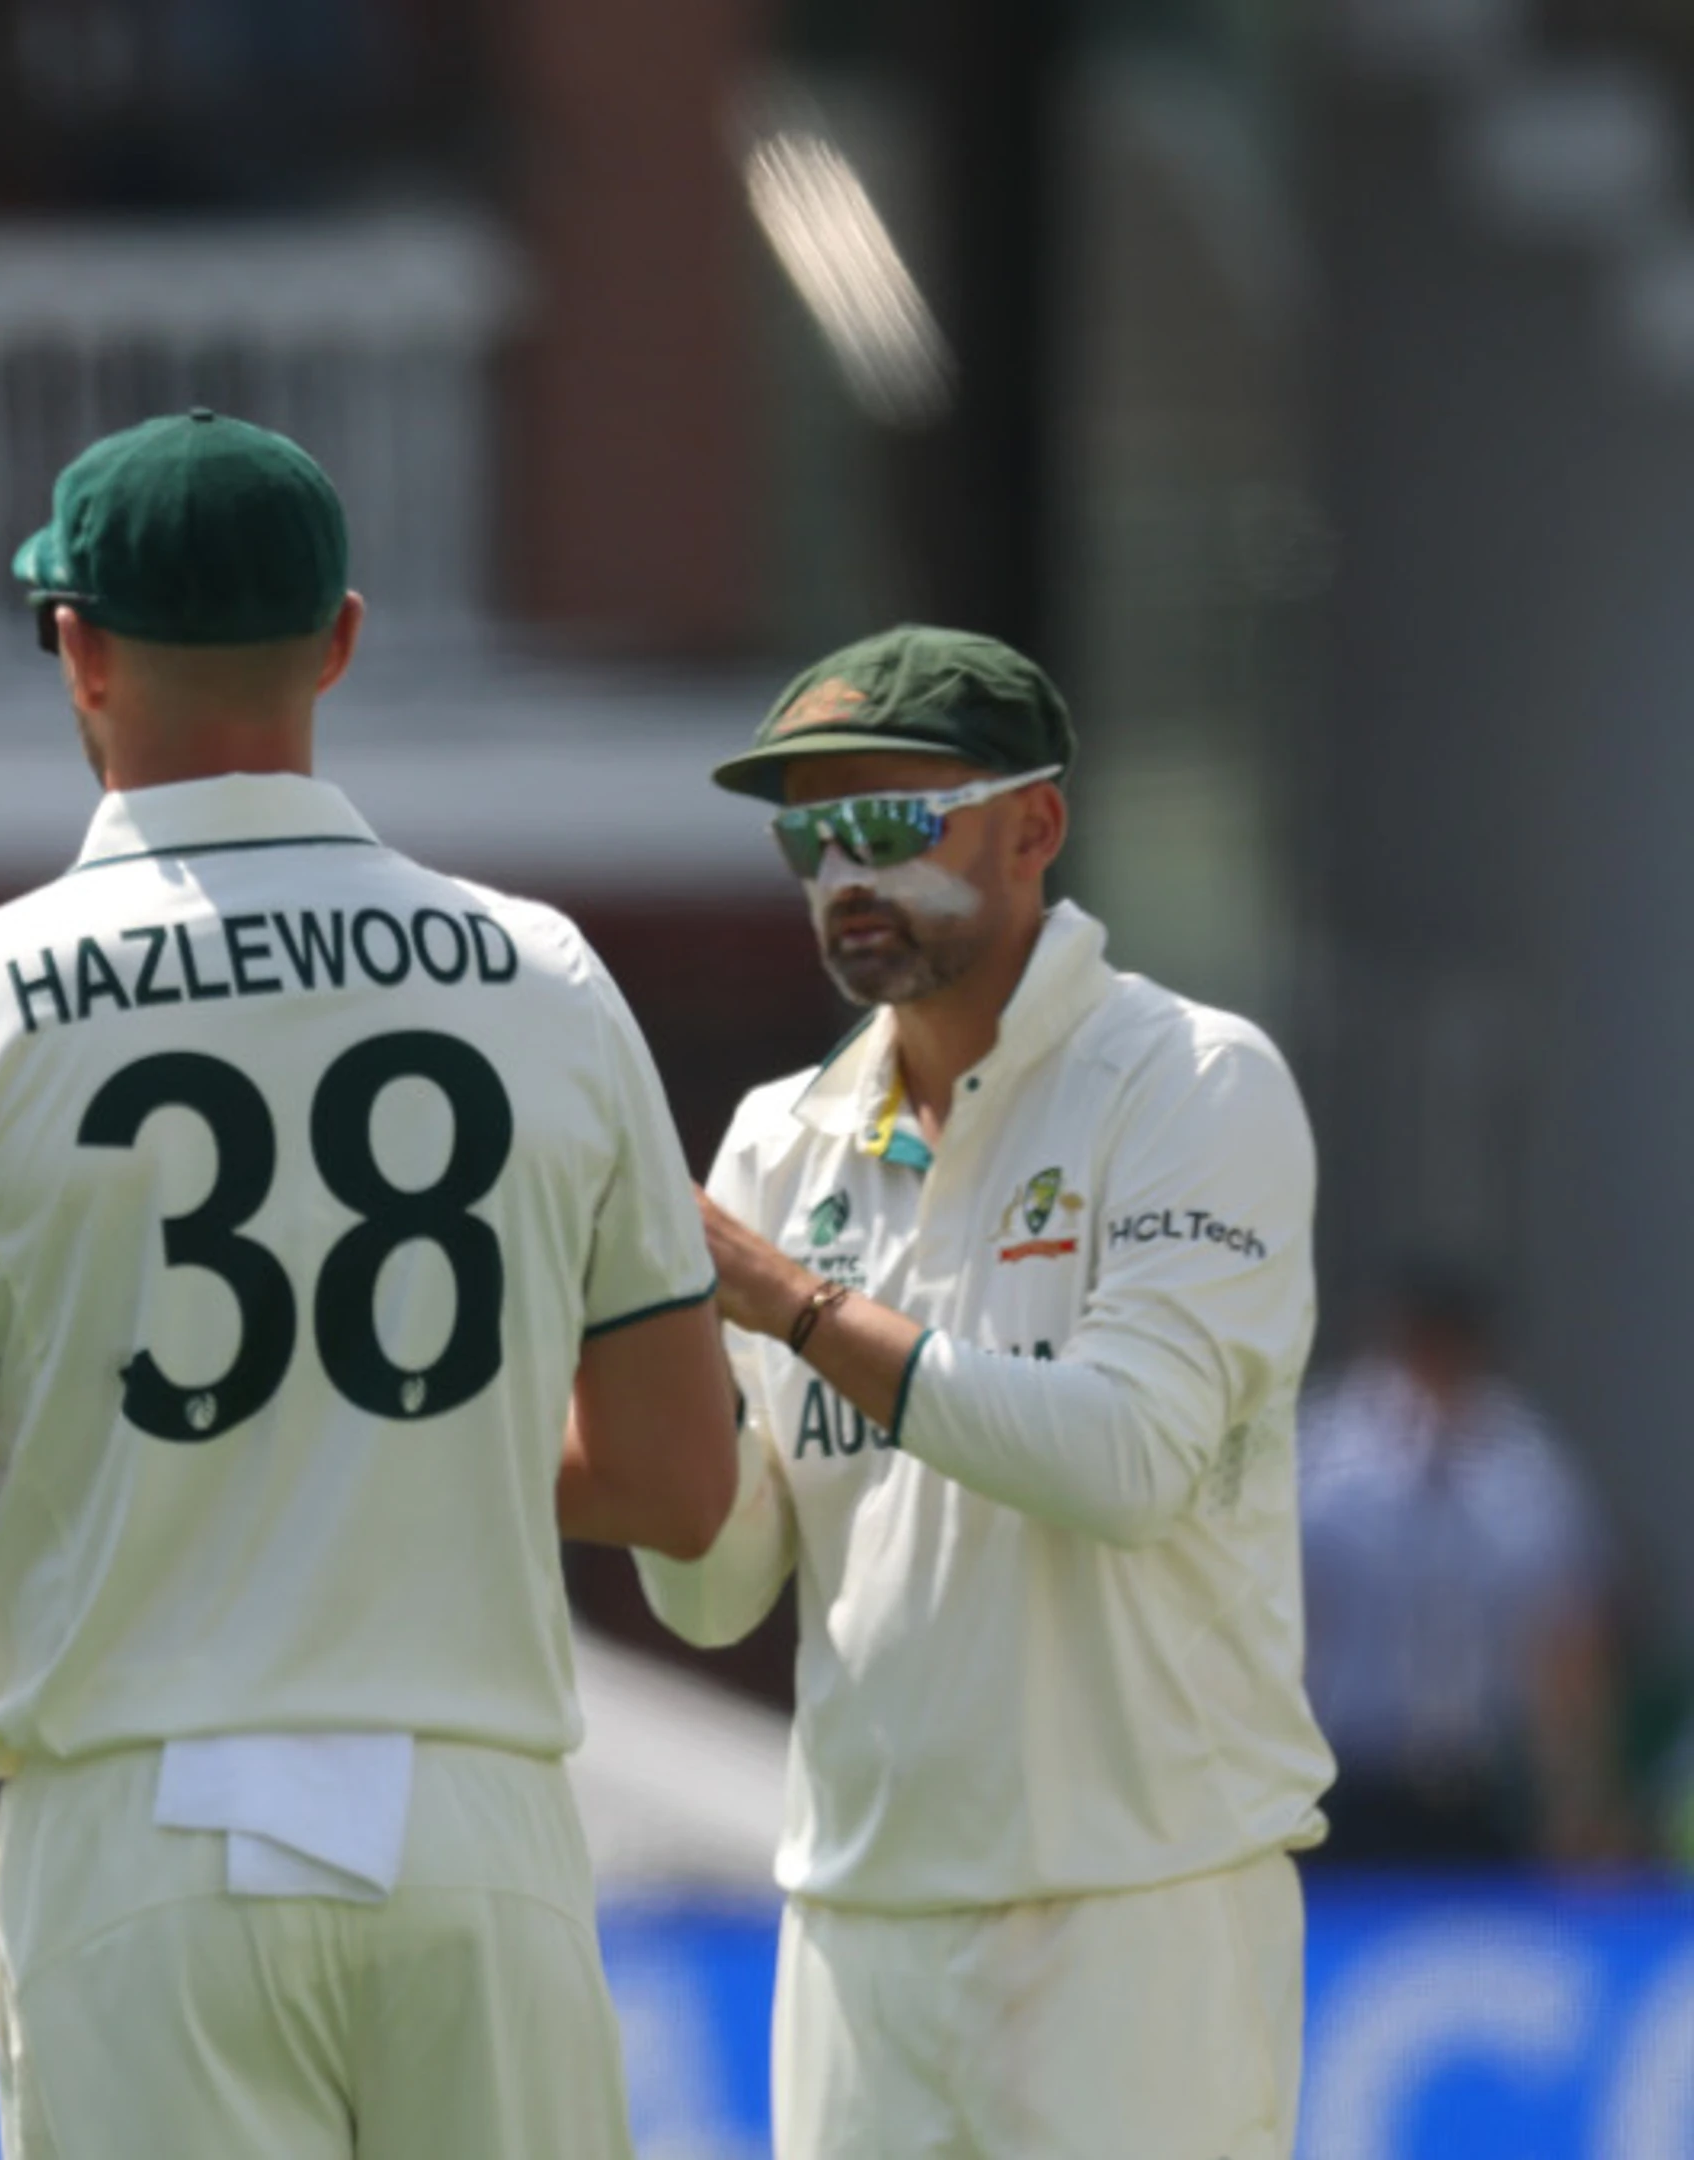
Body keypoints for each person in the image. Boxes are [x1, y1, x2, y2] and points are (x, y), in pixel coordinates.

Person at [0, 409, 739, 2157]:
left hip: (143, 1835)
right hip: (483, 1831)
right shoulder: (545, 971)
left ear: (75, 648)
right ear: (344, 639)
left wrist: (153, 1442)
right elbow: (685, 1489)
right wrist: (378, 1444)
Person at [638, 627, 1332, 2159]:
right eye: (811, 836)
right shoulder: (780, 1138)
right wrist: (637, 1353)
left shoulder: (1189, 1084)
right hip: (855, 1917)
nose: (846, 878)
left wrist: (787, 1302)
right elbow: (716, 1591)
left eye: (890, 823)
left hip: (1140, 1903)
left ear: (1036, 825)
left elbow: (1126, 1461)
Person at [1298, 1271, 1635, 1869]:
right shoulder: (1325, 1453)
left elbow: (1565, 1640)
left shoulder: (1524, 1465)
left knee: (1469, 1945)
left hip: (1475, 1781)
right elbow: (1290, 1618)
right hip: (1344, 1775)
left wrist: (1578, 1795)